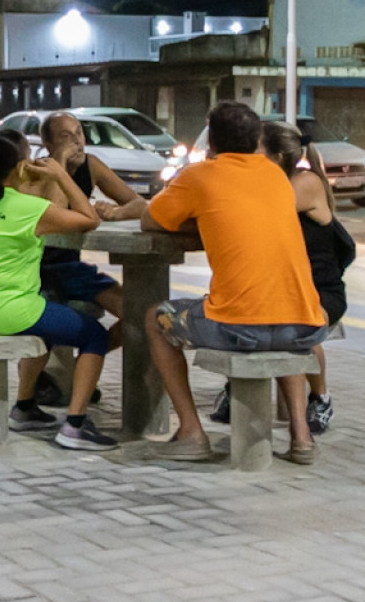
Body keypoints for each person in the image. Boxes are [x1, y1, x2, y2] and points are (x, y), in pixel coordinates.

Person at [140, 101, 330, 464]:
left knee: (155, 318)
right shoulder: (276, 175)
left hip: (240, 328)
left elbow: (152, 219)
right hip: (306, 326)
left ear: (211, 141)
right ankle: (301, 438)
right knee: (280, 314)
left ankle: (192, 432)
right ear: (257, 137)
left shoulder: (200, 176)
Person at [0, 129, 116, 451]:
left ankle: (25, 408)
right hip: (12, 311)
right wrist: (61, 175)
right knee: (95, 336)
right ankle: (75, 425)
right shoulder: (28, 208)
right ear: (24, 167)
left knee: (49, 319)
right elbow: (89, 219)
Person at [210, 122, 352, 435]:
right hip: (277, 287)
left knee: (301, 323)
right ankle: (240, 389)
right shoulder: (269, 181)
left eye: (254, 149)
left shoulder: (304, 182)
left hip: (318, 291)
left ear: (275, 156)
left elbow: (254, 210)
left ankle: (320, 397)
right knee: (243, 312)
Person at [28, 112, 149, 320]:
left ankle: (98, 348)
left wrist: (117, 212)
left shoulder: (91, 165)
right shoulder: (38, 171)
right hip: (37, 270)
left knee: (136, 311)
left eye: (79, 133)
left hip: (72, 268)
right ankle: (91, 346)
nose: (76, 142)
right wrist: (60, 162)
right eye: (65, 136)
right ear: (47, 143)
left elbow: (140, 204)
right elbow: (55, 213)